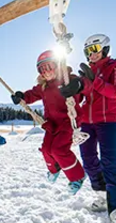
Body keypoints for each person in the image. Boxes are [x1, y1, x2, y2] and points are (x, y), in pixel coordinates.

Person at [60, 33, 116, 223]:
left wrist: (94, 81)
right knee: (89, 159)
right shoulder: (86, 73)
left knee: (111, 162)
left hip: (109, 121)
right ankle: (101, 196)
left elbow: (115, 92)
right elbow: (81, 96)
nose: (90, 55)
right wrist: (72, 91)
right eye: (87, 51)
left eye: (94, 50)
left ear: (105, 49)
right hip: (88, 123)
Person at [11, 50, 91, 194]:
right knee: (46, 149)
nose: (46, 72)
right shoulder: (43, 87)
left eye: (49, 67)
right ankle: (55, 169)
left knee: (59, 150)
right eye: (42, 70)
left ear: (58, 65)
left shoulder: (68, 80)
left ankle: (77, 176)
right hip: (52, 124)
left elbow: (85, 85)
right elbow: (31, 94)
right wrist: (21, 96)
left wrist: (78, 85)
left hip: (68, 122)